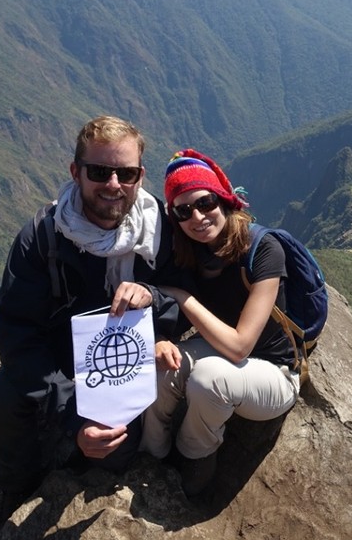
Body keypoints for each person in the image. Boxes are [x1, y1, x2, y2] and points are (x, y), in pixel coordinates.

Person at [0, 116, 184, 530]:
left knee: (114, 457)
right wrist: (75, 415)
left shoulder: (159, 228)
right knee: (3, 398)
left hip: (120, 364)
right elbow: (18, 334)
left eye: (125, 173)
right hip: (60, 361)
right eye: (99, 171)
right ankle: (16, 488)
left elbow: (184, 296)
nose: (113, 184)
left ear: (140, 177)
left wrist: (156, 305)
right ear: (75, 172)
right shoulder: (43, 237)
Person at [140, 149, 301, 497]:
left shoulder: (264, 249)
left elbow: (240, 345)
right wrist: (159, 337)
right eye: (184, 211)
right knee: (163, 366)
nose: (197, 216)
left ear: (225, 200)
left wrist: (184, 297)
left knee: (208, 379)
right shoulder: (189, 251)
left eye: (206, 202)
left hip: (275, 371)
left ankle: (194, 461)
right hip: (221, 351)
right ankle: (150, 455)